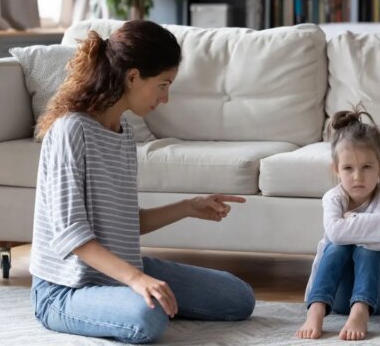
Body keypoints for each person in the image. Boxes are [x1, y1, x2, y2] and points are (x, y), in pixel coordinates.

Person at [29, 20, 255, 344]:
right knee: (147, 317)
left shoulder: (124, 136)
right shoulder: (71, 131)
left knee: (238, 297)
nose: (166, 98)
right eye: (163, 84)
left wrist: (188, 207)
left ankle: (128, 293)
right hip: (64, 290)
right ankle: (128, 296)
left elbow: (127, 222)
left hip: (116, 272)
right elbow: (71, 237)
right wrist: (136, 279)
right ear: (132, 76)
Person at [296, 105, 380, 341]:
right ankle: (316, 309)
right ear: (336, 170)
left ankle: (360, 311)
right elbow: (336, 234)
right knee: (337, 245)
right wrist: (371, 227)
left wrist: (353, 219)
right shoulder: (333, 198)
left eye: (367, 167)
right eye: (348, 168)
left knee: (370, 248)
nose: (358, 177)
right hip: (336, 298)